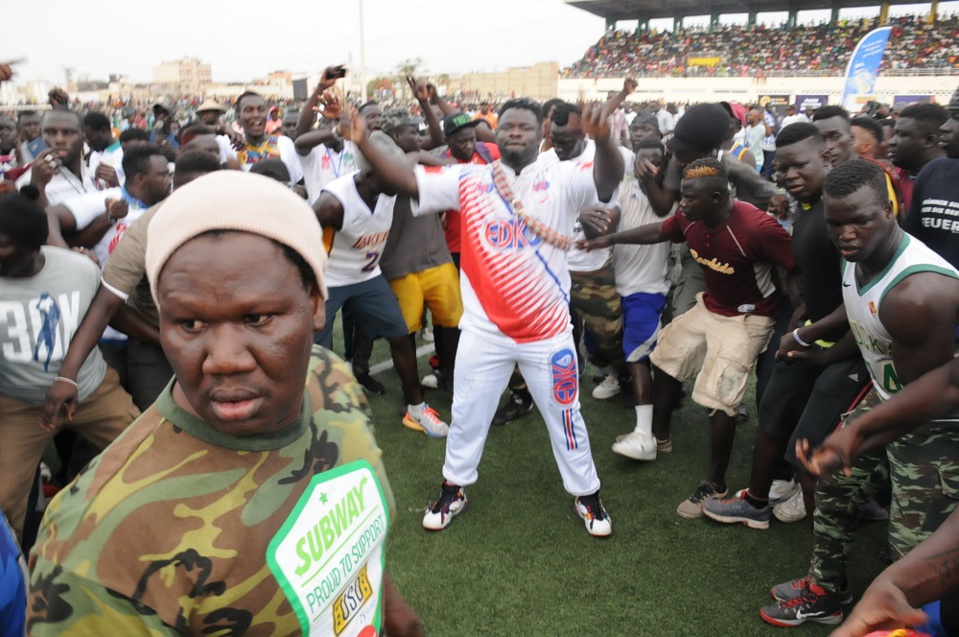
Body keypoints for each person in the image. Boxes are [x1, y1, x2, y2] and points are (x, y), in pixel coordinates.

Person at [26, 171, 424, 636]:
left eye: (256, 318)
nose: (223, 361)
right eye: (190, 324)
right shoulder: (94, 550)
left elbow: (350, 552)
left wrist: (393, 613)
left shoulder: (326, 376)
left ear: (316, 303)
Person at [349, 96, 623, 537]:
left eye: (525, 127)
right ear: (494, 135)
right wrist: (363, 141)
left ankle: (587, 494)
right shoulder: (468, 179)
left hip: (548, 333)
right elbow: (403, 177)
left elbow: (607, 181)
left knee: (566, 415)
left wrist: (605, 141)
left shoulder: (564, 174)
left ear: (542, 134)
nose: (515, 132)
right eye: (508, 126)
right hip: (484, 333)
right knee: (467, 414)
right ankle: (454, 488)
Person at [760, 159, 959, 628]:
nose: (846, 234)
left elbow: (936, 394)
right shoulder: (860, 255)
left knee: (917, 552)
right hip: (894, 397)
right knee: (831, 483)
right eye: (836, 223)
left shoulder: (918, 293)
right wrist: (809, 339)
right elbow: (861, 314)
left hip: (937, 423)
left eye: (861, 220)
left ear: (889, 212)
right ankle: (826, 591)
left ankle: (905, 623)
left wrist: (859, 436)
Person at [580, 157, 798, 517]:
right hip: (710, 306)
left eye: (689, 198)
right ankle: (658, 436)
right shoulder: (690, 215)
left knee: (720, 394)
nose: (681, 204)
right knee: (666, 354)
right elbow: (661, 231)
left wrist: (797, 320)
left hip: (749, 317)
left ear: (717, 197)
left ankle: (716, 481)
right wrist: (610, 238)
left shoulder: (757, 228)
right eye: (682, 196)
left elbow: (795, 268)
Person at [701, 124, 870, 529]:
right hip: (815, 332)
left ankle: (827, 546)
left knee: (810, 441)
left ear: (827, 160)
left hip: (841, 345)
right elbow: (820, 276)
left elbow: (859, 299)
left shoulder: (840, 215)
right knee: (775, 409)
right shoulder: (810, 207)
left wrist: (808, 337)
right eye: (781, 167)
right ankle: (762, 497)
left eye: (799, 166)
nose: (788, 174)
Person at [0, 190, 140, 540]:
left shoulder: (78, 269)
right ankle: (17, 580)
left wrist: (160, 336)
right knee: (4, 504)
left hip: (93, 392)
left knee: (146, 456)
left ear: (34, 245)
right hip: (22, 405)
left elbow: (111, 315)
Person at [40, 151, 221, 421]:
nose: (203, 207)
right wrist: (69, 374)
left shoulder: (237, 220)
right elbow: (105, 305)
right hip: (154, 336)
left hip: (217, 334)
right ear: (177, 192)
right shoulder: (146, 230)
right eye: (194, 197)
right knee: (155, 421)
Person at [312, 134, 450, 438]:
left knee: (400, 335)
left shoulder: (393, 179)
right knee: (316, 352)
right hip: (329, 280)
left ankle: (416, 407)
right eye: (395, 173)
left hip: (367, 276)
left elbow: (416, 157)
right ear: (374, 172)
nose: (403, 179)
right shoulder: (334, 201)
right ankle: (318, 416)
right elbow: (298, 235)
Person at [607, 138, 673, 460]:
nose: (648, 165)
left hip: (647, 289)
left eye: (656, 160)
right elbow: (610, 212)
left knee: (637, 355)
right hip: (612, 283)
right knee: (598, 344)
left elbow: (662, 219)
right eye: (642, 160)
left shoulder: (671, 196)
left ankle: (644, 435)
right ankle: (614, 377)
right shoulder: (622, 188)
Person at [227, 91, 304, 184]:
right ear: (238, 116)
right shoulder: (230, 146)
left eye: (261, 109)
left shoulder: (284, 143)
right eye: (249, 110)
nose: (256, 114)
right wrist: (224, 128)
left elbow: (300, 183)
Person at [888, 103, 948, 211]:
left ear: (929, 141)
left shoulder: (951, 183)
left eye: (902, 135)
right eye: (894, 134)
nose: (891, 141)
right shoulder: (892, 176)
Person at [83, 111, 124, 188]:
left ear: (104, 131)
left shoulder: (123, 154)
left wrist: (116, 185)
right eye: (85, 139)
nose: (87, 142)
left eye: (90, 137)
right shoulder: (94, 154)